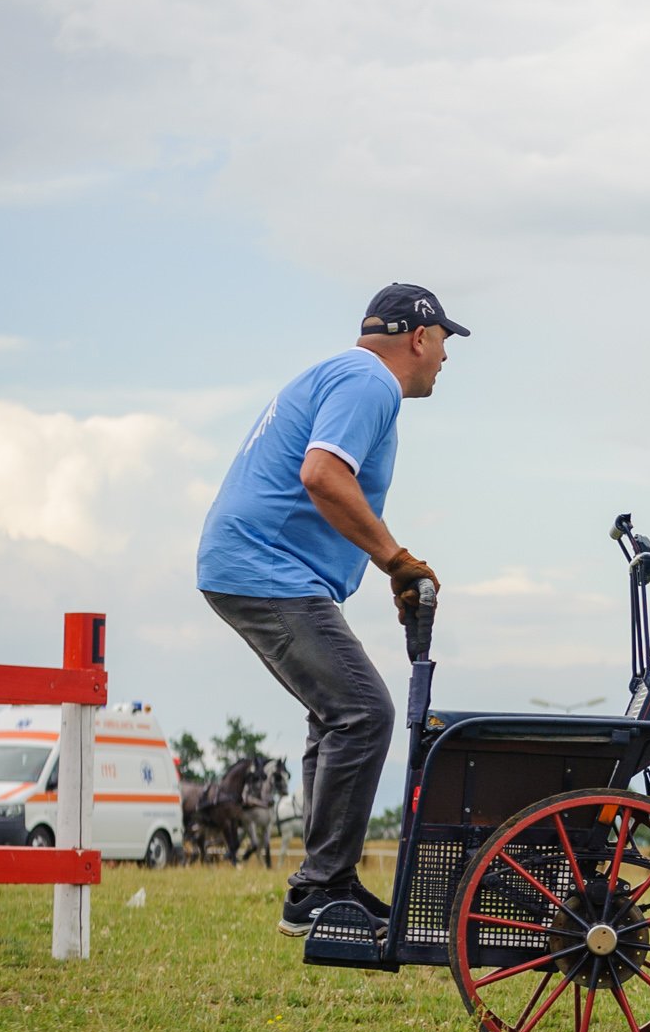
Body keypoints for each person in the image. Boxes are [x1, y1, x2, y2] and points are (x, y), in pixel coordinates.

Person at [197, 282, 467, 936]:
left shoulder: (346, 376)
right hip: (263, 569)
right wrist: (396, 559)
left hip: (263, 567)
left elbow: (330, 486)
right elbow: (321, 474)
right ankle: (317, 889)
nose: (445, 360)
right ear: (419, 337)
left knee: (336, 715)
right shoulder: (368, 380)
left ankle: (330, 881)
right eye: (444, 344)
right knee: (364, 712)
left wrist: (386, 566)